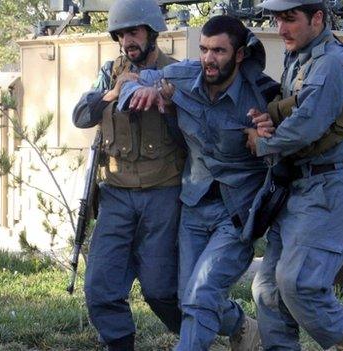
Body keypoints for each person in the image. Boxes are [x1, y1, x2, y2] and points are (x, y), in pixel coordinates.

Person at [119, 15, 279, 351]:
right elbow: (133, 80)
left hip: (236, 212)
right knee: (185, 296)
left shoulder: (262, 95)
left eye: (219, 51)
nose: (208, 58)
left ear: (238, 55)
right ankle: (241, 326)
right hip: (193, 205)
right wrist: (143, 90)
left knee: (201, 292)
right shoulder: (180, 76)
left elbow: (290, 140)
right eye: (204, 49)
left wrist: (267, 135)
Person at [246, 1, 343, 350]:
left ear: (317, 18)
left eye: (290, 19)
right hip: (298, 183)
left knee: (299, 284)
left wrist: (261, 142)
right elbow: (294, 108)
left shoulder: (331, 62)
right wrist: (267, 118)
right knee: (268, 291)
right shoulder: (300, 55)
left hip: (329, 186)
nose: (281, 29)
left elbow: (307, 126)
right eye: (278, 20)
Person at [71, 0, 184, 349]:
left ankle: (209, 329)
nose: (127, 41)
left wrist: (169, 101)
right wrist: (114, 92)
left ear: (151, 33)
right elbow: (80, 116)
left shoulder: (178, 72)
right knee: (100, 286)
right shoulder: (109, 72)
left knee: (160, 289)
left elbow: (199, 132)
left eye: (133, 32)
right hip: (117, 194)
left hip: (163, 193)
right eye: (121, 34)